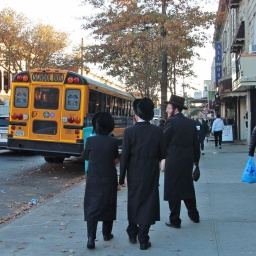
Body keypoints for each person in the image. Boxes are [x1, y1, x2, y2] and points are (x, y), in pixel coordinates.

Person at [119, 97, 167, 250]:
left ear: (136, 114)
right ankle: (144, 238)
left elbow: (124, 156)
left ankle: (132, 232)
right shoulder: (157, 131)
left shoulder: (129, 131)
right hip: (151, 170)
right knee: (148, 201)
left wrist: (121, 178)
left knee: (134, 200)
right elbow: (163, 153)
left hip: (134, 171)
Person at [81, 112, 119, 249]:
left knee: (92, 206)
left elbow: (84, 156)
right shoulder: (113, 141)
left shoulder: (91, 141)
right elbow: (115, 159)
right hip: (109, 177)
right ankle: (106, 234)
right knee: (108, 205)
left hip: (93, 178)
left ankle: (91, 237)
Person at [163, 95, 200, 229]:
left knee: (173, 189)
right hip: (187, 160)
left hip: (173, 159)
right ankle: (194, 215)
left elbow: (163, 141)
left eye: (168, 108)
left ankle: (175, 219)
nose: (167, 111)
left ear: (175, 109)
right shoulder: (190, 123)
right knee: (187, 186)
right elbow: (196, 144)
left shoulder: (171, 122)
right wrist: (196, 161)